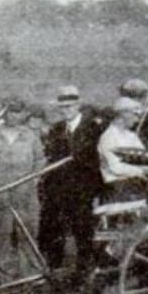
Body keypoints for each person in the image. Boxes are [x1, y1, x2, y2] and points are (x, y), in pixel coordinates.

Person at [0, 98, 47, 284]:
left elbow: (40, 162)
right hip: (0, 196)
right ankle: (6, 280)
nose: (14, 116)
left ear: (23, 113)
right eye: (10, 111)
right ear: (3, 113)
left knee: (28, 235)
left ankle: (31, 277)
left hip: (26, 197)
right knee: (2, 237)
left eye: (18, 112)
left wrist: (35, 180)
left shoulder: (30, 136)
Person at [41, 85, 106, 282]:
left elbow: (98, 163)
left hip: (83, 190)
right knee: (56, 230)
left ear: (78, 105)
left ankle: (84, 273)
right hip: (59, 190)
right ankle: (56, 272)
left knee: (83, 232)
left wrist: (96, 192)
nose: (66, 110)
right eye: (62, 107)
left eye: (69, 106)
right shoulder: (56, 129)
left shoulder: (94, 129)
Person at [98, 97, 148, 202]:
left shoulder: (131, 136)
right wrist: (143, 170)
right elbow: (116, 168)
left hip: (135, 183)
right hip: (118, 187)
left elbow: (145, 159)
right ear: (124, 115)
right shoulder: (108, 137)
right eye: (135, 115)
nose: (137, 120)